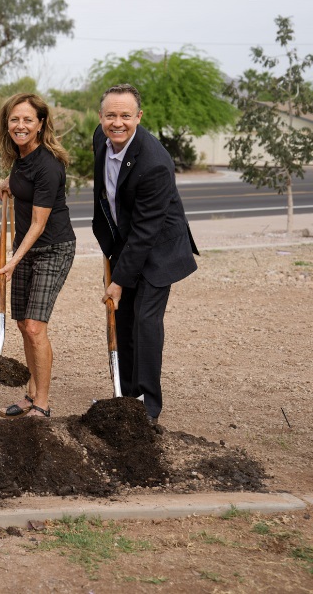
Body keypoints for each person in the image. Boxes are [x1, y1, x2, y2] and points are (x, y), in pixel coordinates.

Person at [93, 83, 198, 422]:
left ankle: (148, 406)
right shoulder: (101, 138)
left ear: (139, 116)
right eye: (111, 115)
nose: (117, 122)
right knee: (122, 320)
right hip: (127, 243)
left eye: (126, 115)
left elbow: (145, 231)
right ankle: (126, 395)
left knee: (144, 321)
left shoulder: (154, 162)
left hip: (159, 248)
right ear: (101, 117)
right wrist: (111, 254)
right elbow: (108, 201)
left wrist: (119, 280)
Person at [0, 93, 76, 420]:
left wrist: (12, 261)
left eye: (28, 120)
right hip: (27, 247)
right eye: (15, 119)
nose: (20, 125)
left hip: (52, 247)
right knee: (22, 324)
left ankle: (42, 402)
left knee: (34, 326)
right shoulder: (21, 158)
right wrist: (8, 184)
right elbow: (22, 182)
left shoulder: (48, 165)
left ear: (41, 124)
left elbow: (40, 224)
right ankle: (29, 395)